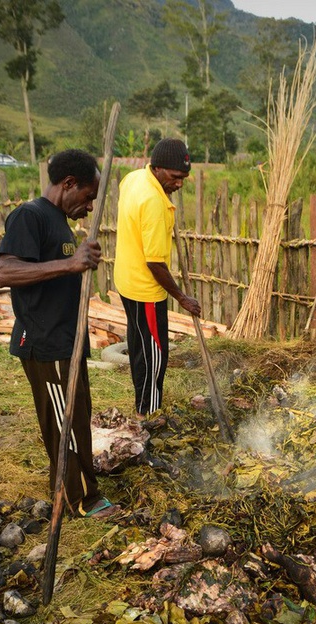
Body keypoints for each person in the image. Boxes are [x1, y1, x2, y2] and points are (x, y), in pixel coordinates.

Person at [0, 149, 120, 519]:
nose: (89, 206)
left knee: (78, 415)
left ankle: (83, 487)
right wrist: (70, 263)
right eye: (87, 197)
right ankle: (79, 500)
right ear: (68, 184)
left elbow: (61, 271)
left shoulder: (58, 221)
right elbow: (3, 271)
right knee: (61, 420)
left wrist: (80, 260)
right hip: (45, 344)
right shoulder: (29, 216)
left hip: (69, 341)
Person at [114, 138, 201, 419]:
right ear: (159, 169)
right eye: (175, 178)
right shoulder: (153, 202)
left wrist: (166, 195)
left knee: (140, 347)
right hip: (145, 290)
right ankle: (148, 416)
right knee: (154, 356)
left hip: (126, 279)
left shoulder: (134, 178)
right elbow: (155, 263)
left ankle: (141, 408)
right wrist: (182, 298)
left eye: (184, 179)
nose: (179, 184)